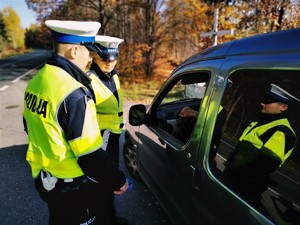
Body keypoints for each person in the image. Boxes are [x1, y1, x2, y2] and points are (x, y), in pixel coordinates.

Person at [23, 20, 129, 225]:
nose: (91, 57)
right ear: (74, 51)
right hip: (72, 186)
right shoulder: (74, 93)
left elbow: (30, 127)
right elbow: (89, 155)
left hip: (46, 180)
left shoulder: (36, 82)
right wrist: (118, 180)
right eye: (88, 51)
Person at [225, 83, 299, 205]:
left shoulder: (281, 130)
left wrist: (237, 176)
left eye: (268, 100)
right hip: (233, 178)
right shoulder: (261, 123)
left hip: (245, 187)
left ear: (284, 107)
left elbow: (265, 164)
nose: (262, 103)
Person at [88, 35, 127, 225]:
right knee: (100, 186)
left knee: (109, 184)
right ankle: (103, 221)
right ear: (94, 57)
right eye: (104, 58)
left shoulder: (113, 75)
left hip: (112, 139)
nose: (109, 63)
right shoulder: (89, 81)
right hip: (99, 142)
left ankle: (109, 218)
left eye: (113, 58)